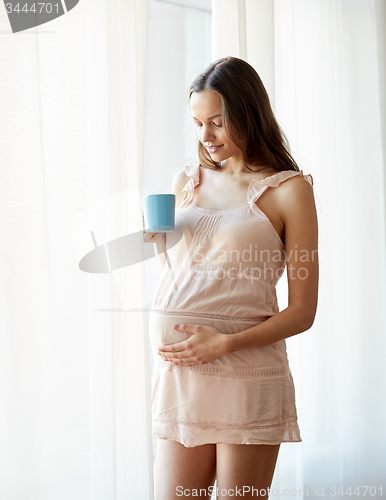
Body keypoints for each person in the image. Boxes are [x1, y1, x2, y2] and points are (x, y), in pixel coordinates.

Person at [144, 56, 318, 500]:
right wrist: (162, 245)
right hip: (182, 372)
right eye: (198, 123)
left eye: (217, 122)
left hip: (246, 372)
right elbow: (187, 277)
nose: (206, 137)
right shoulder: (186, 180)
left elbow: (303, 312)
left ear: (248, 113)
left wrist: (223, 343)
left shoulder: (289, 190)